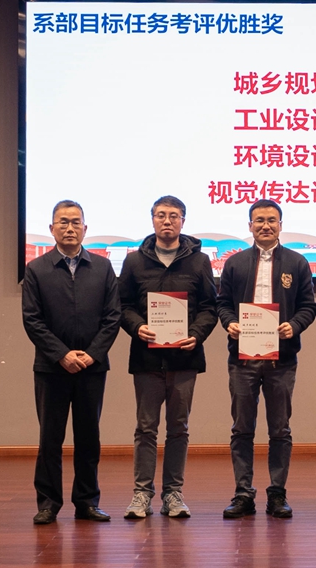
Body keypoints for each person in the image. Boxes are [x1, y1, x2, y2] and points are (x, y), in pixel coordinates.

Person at [22, 200, 121, 525]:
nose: (69, 228)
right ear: (51, 229)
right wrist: (62, 354)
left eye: (75, 222)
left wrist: (92, 354)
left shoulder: (103, 268)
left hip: (92, 367)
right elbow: (32, 320)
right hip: (51, 368)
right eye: (63, 222)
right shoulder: (37, 269)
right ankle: (48, 503)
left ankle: (87, 502)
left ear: (85, 229)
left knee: (88, 437)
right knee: (50, 438)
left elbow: (112, 317)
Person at [217, 199, 316, 519]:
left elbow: (308, 306)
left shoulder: (297, 263)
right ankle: (243, 493)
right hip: (243, 359)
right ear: (249, 226)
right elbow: (222, 304)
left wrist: (294, 325)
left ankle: (277, 493)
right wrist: (229, 322)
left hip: (281, 360)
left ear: (280, 225)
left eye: (272, 220)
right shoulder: (234, 263)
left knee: (280, 430)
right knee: (241, 429)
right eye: (259, 220)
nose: (265, 225)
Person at [119, 196, 218, 520]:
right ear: (152, 220)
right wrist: (137, 327)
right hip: (146, 359)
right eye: (161, 215)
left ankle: (173, 494)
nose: (167, 221)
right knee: (146, 428)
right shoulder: (134, 262)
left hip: (184, 358)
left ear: (183, 221)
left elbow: (209, 307)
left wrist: (197, 334)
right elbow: (122, 306)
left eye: (174, 216)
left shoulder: (199, 261)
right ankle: (141, 494)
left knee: (178, 428)